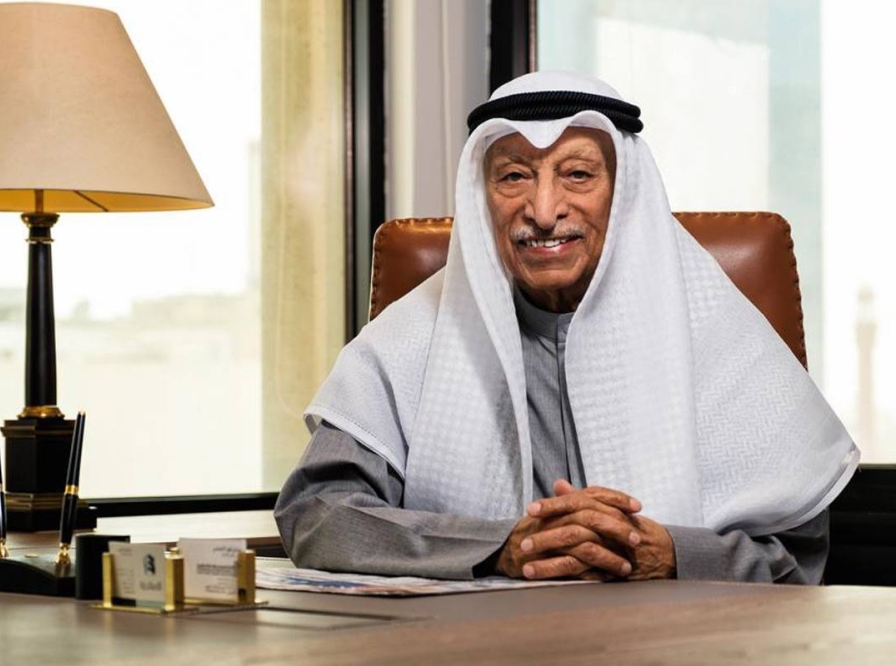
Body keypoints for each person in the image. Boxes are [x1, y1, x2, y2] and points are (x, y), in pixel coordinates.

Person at [274, 71, 859, 583]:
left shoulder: (717, 332)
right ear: (482, 198)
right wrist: (502, 547)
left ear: (624, 196)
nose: (544, 210)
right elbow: (317, 514)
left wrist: (669, 554)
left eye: (577, 174)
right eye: (513, 177)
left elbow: (796, 553)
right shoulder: (412, 337)